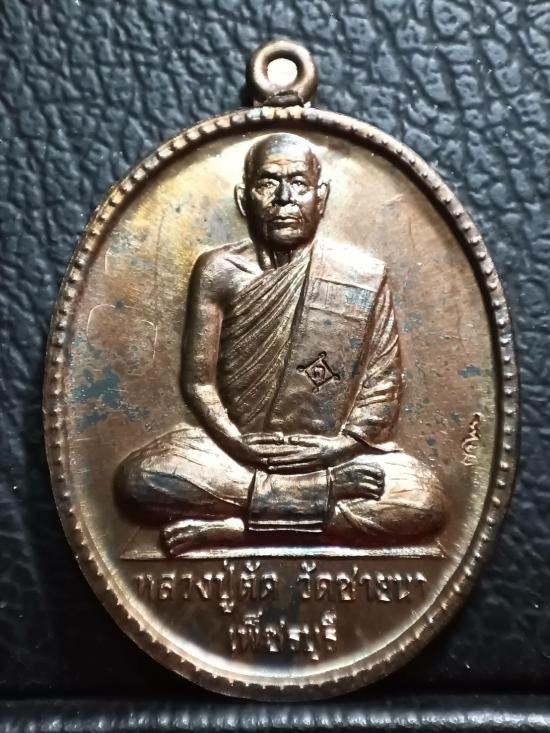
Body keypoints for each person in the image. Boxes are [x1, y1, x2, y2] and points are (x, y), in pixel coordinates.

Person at [117, 133, 446, 556]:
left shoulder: (361, 276)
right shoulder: (219, 270)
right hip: (236, 454)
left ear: (321, 198)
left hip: (333, 454)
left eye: (299, 184)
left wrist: (339, 448)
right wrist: (236, 443)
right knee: (141, 478)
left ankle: (242, 527)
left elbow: (383, 387)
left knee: (425, 498)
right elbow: (198, 382)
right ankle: (311, 502)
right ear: (244, 199)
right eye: (268, 183)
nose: (284, 198)